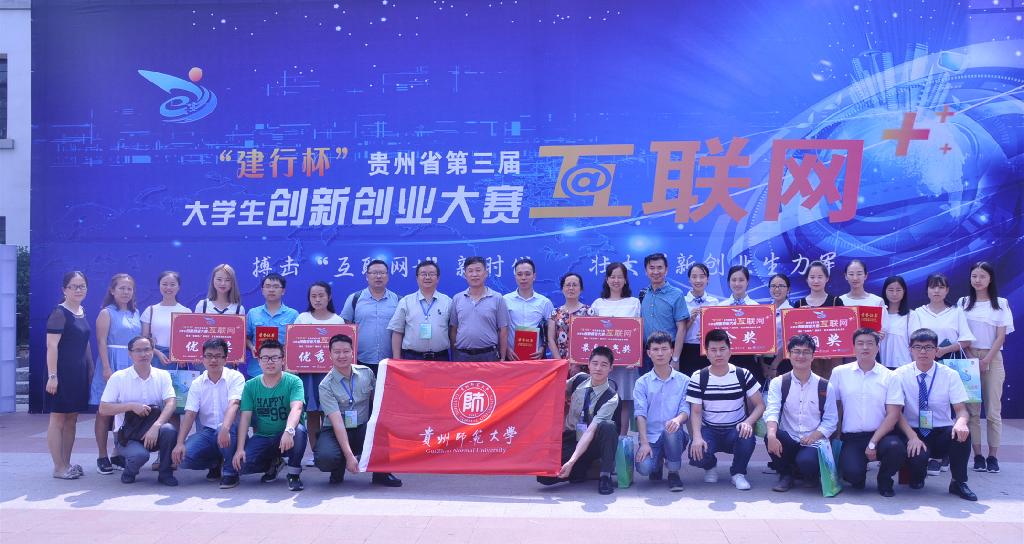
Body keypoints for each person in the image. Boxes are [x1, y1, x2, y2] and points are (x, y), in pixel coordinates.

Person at [894, 328, 976, 501]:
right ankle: (917, 474)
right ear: (910, 350)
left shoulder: (950, 375)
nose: (923, 352)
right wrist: (912, 437)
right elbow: (895, 412)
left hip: (941, 431)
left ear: (937, 350)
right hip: (913, 431)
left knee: (962, 434)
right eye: (918, 347)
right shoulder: (899, 375)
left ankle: (958, 482)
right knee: (916, 476)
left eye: (928, 347)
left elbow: (961, 409)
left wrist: (961, 422)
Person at [314, 334, 402, 487]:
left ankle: (381, 473)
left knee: (382, 428)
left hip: (361, 427)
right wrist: (349, 456)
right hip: (335, 430)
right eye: (337, 352)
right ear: (330, 355)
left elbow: (379, 402)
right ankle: (339, 465)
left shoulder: (366, 373)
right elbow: (338, 424)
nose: (342, 356)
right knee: (325, 457)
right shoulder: (325, 385)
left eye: (346, 351)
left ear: (352, 352)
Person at [829, 328, 908, 497]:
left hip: (882, 435)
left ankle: (885, 479)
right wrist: (834, 435)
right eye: (860, 343)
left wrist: (873, 442)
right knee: (852, 475)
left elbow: (893, 414)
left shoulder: (890, 376)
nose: (865, 347)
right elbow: (834, 406)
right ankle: (859, 474)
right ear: (853, 347)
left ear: (878, 348)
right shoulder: (839, 373)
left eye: (870, 343)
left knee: (896, 448)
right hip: (852, 437)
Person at [687, 329, 764, 490]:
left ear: (730, 351)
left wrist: (748, 422)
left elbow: (760, 405)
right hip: (710, 430)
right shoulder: (698, 377)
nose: (718, 354)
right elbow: (696, 411)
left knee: (747, 436)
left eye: (722, 349)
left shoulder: (743, 374)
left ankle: (738, 473)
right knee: (696, 453)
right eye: (713, 350)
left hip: (735, 430)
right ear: (706, 352)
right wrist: (697, 437)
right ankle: (710, 466)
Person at [537, 346, 620, 495]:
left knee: (608, 426)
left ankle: (604, 475)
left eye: (604, 365)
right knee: (544, 477)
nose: (598, 368)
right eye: (595, 363)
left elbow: (591, 430)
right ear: (588, 364)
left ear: (611, 368)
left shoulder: (612, 397)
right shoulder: (579, 379)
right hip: (571, 437)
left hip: (593, 441)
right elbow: (555, 390)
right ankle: (585, 469)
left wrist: (571, 461)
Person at [97, 336, 178, 486]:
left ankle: (165, 472)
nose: (143, 354)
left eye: (147, 349)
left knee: (169, 430)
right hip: (127, 434)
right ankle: (130, 471)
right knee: (141, 455)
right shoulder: (118, 377)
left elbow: (171, 402)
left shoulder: (163, 375)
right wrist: (131, 406)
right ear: (130, 354)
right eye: (138, 350)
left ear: (153, 351)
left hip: (152, 432)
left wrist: (157, 426)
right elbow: (103, 408)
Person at [958, 262, 1014, 473]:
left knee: (992, 412)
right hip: (968, 358)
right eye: (974, 276)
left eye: (982, 276)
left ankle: (993, 457)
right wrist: (972, 358)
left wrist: (986, 360)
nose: (978, 280)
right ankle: (978, 456)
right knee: (972, 411)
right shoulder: (963, 303)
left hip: (993, 358)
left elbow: (1001, 337)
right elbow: (961, 333)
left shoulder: (1001, 303)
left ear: (990, 279)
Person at [764, 334, 838, 492]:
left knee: (807, 462)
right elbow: (772, 411)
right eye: (796, 351)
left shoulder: (825, 386)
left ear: (813, 356)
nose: (801, 356)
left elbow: (831, 420)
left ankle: (809, 475)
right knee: (771, 436)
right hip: (789, 438)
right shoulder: (779, 382)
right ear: (789, 354)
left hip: (813, 440)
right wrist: (771, 435)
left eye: (806, 352)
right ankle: (786, 474)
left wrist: (814, 436)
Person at [232, 339, 307, 491]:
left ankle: (294, 474)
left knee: (299, 431)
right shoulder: (250, 385)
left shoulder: (294, 381)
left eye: (275, 358)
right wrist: (240, 449)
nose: (270, 362)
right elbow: (245, 417)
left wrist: (289, 430)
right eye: (265, 358)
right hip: (263, 436)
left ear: (283, 360)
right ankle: (274, 463)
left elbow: (297, 407)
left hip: (286, 435)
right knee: (242, 466)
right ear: (259, 361)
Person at [170, 338, 245, 487]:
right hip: (208, 432)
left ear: (225, 359)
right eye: (209, 356)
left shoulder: (235, 377)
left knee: (222, 429)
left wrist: (225, 428)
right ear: (202, 359)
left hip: (232, 430)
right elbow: (190, 413)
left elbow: (234, 403)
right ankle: (215, 463)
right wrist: (179, 443)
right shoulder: (197, 383)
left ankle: (230, 472)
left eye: (218, 356)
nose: (213, 360)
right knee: (184, 458)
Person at [91, 273, 142, 476]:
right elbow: (101, 341)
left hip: (131, 363)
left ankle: (117, 452)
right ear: (112, 291)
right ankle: (102, 455)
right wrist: (106, 367)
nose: (126, 292)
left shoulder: (136, 313)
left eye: (129, 288)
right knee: (105, 411)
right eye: (121, 288)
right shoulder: (106, 313)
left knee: (125, 411)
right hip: (111, 362)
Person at [45, 271, 93, 480]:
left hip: (78, 374)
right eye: (73, 286)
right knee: (58, 418)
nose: (78, 290)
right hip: (61, 374)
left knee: (72, 418)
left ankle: (67, 463)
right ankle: (58, 467)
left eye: (82, 286)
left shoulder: (81, 311)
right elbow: (51, 346)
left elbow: (85, 344)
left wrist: (90, 369)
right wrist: (52, 376)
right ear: (64, 289)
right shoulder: (59, 312)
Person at [633, 332, 691, 492]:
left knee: (671, 429)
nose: (660, 353)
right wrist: (644, 443)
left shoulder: (684, 381)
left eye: (664, 349)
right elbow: (640, 414)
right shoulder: (641, 382)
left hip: (674, 435)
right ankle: (657, 463)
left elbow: (685, 409)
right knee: (644, 468)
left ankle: (673, 472)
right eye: (655, 349)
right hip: (651, 437)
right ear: (648, 353)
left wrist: (677, 420)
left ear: (671, 351)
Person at [294, 281, 344, 460]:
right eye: (313, 296)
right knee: (312, 413)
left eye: (321, 295)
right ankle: (315, 453)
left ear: (329, 297)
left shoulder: (338, 321)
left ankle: (330, 451)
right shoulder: (302, 318)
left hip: (330, 375)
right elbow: (294, 345)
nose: (317, 299)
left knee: (330, 412)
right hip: (308, 375)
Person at [589, 263, 640, 434]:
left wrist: (635, 357)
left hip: (627, 363)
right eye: (612, 277)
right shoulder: (598, 303)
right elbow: (591, 333)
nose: (616, 280)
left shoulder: (634, 303)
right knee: (603, 397)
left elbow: (638, 332)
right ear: (607, 279)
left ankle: (622, 438)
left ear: (625, 280)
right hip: (603, 363)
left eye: (620, 277)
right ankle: (601, 436)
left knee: (625, 399)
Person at [340, 259, 399, 374]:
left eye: (382, 273)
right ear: (367, 276)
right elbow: (346, 327)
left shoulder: (398, 300)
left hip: (389, 361)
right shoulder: (354, 298)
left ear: (387, 276)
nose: (378, 276)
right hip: (360, 360)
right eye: (374, 273)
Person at [389, 260, 452, 361]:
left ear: (438, 278)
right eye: (423, 274)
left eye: (431, 274)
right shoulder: (406, 301)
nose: (427, 277)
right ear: (417, 278)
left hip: (440, 358)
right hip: (412, 357)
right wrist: (396, 359)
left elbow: (453, 331)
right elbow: (397, 331)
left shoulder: (448, 302)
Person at [449, 256, 509, 362]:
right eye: (470, 271)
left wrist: (503, 357)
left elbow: (503, 330)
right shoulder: (457, 298)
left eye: (478, 270)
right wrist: (455, 353)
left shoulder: (497, 298)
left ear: (486, 273)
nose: (474, 274)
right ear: (465, 275)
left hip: (489, 355)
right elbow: (453, 329)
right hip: (462, 356)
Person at [792, 261, 844, 379]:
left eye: (820, 277)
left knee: (832, 387)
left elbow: (843, 330)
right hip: (807, 357)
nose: (816, 281)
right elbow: (794, 334)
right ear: (807, 279)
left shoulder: (836, 301)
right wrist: (799, 316)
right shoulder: (799, 304)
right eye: (812, 277)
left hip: (832, 357)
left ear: (827, 279)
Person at [639, 254, 688, 373]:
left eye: (660, 267)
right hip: (647, 354)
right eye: (652, 268)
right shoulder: (644, 294)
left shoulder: (676, 294)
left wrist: (675, 359)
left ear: (666, 270)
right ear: (646, 271)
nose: (656, 272)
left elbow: (682, 328)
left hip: (667, 353)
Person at [909, 273, 974, 360]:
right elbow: (914, 342)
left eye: (941, 287)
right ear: (927, 290)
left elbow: (966, 340)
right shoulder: (918, 313)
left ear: (947, 290)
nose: (936, 291)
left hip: (951, 362)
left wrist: (945, 350)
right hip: (925, 361)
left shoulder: (956, 311)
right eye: (932, 287)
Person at [245, 273, 299, 378]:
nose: (271, 290)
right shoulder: (253, 313)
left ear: (283, 291)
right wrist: (251, 347)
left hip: (284, 371)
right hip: (257, 371)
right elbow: (245, 338)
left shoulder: (293, 315)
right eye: (268, 286)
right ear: (262, 290)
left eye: (275, 287)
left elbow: (297, 343)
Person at [715, 265, 763, 383]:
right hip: (725, 361)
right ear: (728, 282)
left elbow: (762, 337)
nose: (737, 283)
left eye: (741, 280)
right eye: (734, 280)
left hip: (750, 361)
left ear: (747, 282)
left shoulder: (757, 308)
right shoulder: (719, 308)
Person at [504, 258, 554, 360]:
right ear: (515, 277)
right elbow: (499, 328)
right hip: (511, 357)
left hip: (536, 357)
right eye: (519, 274)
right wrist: (506, 349)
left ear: (534, 276)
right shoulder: (505, 300)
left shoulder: (545, 302)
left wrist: (543, 348)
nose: (523, 278)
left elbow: (551, 332)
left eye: (527, 274)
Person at [141, 271, 191, 367]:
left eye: (172, 284)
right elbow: (144, 339)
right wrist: (157, 352)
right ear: (159, 286)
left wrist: (182, 355)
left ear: (178, 287)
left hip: (178, 361)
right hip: (154, 358)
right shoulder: (150, 310)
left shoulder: (186, 311)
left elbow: (189, 338)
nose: (168, 288)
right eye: (164, 284)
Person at [680, 263, 720, 376]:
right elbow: (678, 330)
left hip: (709, 349)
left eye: (702, 276)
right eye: (694, 277)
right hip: (687, 349)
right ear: (689, 279)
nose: (698, 280)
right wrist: (690, 320)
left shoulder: (714, 302)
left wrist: (708, 333)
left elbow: (718, 329)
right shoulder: (682, 301)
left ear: (707, 279)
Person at [546, 272, 589, 366]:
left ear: (581, 289)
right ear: (562, 289)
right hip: (560, 363)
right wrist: (561, 362)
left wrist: (578, 363)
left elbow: (592, 340)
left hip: (583, 364)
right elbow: (551, 339)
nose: (571, 288)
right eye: (568, 285)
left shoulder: (589, 312)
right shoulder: (555, 313)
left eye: (575, 285)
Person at [764, 273, 793, 380]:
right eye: (773, 286)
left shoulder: (791, 312)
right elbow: (761, 339)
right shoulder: (764, 311)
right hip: (764, 363)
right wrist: (763, 364)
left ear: (788, 289)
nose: (777, 289)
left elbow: (789, 342)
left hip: (783, 362)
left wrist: (774, 365)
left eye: (781, 286)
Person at [879, 276, 911, 369]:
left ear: (904, 291)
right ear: (885, 291)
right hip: (882, 366)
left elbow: (915, 342)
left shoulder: (911, 315)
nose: (894, 294)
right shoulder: (878, 314)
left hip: (904, 366)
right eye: (890, 290)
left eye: (898, 290)